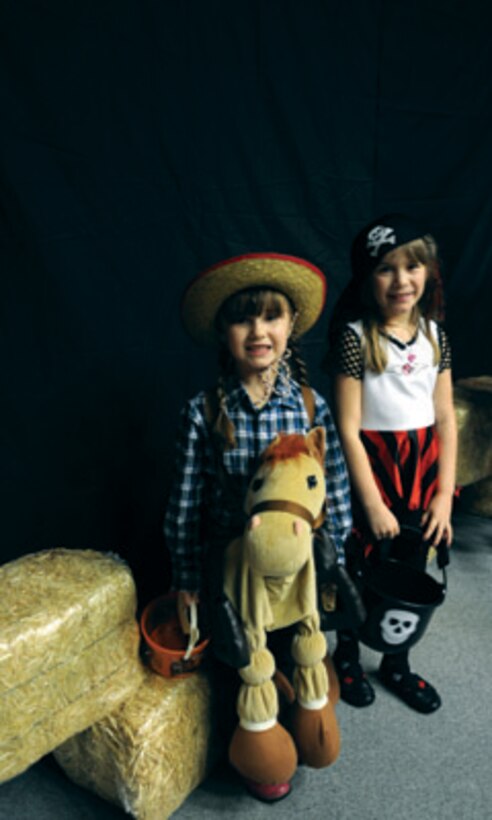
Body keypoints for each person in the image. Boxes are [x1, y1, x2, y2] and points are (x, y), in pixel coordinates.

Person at [164, 252, 352, 801]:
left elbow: (333, 485)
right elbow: (184, 503)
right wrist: (187, 577)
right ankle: (256, 737)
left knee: (301, 637)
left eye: (271, 317)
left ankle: (302, 705)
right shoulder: (203, 411)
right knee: (241, 654)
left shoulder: (310, 406)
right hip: (233, 564)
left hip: (299, 564)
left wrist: (334, 555)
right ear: (224, 332)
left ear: (291, 325)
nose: (258, 331)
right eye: (244, 319)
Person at [324, 214, 457, 714]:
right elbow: (348, 429)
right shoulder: (356, 339)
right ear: (367, 278)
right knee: (360, 568)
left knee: (409, 569)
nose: (402, 280)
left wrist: (443, 495)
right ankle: (349, 657)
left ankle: (397, 663)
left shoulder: (436, 337)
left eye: (413, 266)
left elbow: (445, 418)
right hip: (371, 470)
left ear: (429, 271)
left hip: (421, 471)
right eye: (386, 269)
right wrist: (372, 503)